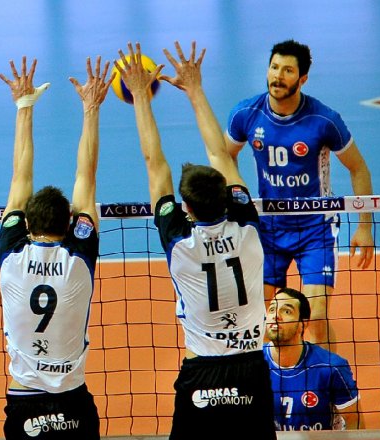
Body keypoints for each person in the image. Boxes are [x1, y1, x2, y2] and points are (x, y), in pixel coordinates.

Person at [119, 41, 275, 438]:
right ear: (226, 195)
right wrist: (195, 89)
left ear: (186, 208)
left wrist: (140, 97)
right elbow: (221, 156)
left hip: (201, 372)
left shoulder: (180, 243)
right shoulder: (247, 226)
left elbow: (155, 165)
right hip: (250, 369)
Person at [224, 39, 375, 344]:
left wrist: (364, 226)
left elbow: (358, 168)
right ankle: (270, 373)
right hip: (268, 228)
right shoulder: (246, 114)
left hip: (315, 228)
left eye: (288, 70)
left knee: (315, 318)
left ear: (302, 78)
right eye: (274, 67)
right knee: (261, 317)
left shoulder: (323, 120)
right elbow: (224, 156)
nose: (277, 76)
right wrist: (237, 199)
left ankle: (329, 373)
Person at [0, 56, 112, 439]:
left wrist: (24, 105)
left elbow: (19, 178)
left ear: (27, 225)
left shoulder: (12, 255)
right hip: (73, 402)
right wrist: (91, 109)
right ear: (70, 224)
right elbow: (86, 176)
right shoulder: (78, 259)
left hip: (24, 402)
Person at [265, 287, 362, 430]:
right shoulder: (253, 364)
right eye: (272, 309)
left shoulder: (331, 367)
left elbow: (354, 422)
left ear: (303, 324)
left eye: (286, 311)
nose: (276, 316)